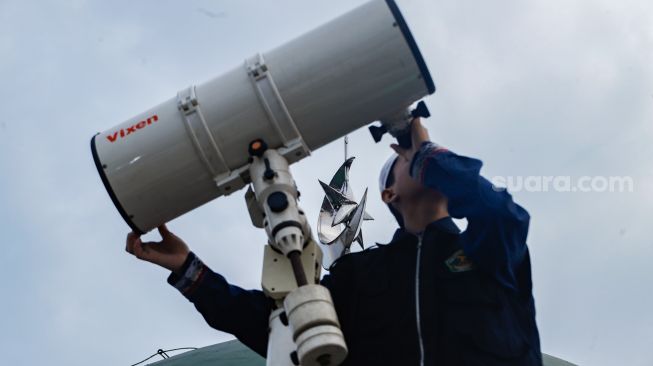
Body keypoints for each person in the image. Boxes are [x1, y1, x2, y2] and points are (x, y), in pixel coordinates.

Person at [126, 118, 542, 365]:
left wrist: (429, 154)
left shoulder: (487, 249)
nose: (424, 160)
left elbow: (502, 212)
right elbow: (280, 329)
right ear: (389, 195)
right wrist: (188, 271)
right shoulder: (363, 275)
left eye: (434, 160)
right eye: (406, 159)